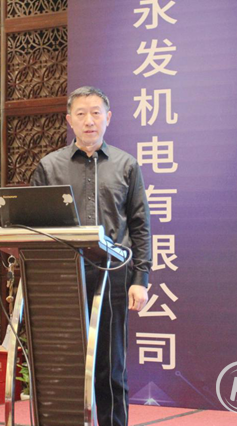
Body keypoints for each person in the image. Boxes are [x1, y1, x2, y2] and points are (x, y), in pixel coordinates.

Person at [30, 86, 152, 426]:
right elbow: (34, 225)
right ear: (69, 120)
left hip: (113, 276)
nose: (89, 121)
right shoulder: (49, 166)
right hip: (62, 280)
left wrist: (140, 279)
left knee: (111, 367)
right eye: (81, 114)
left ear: (108, 118)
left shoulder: (126, 165)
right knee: (63, 366)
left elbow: (140, 226)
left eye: (96, 113)